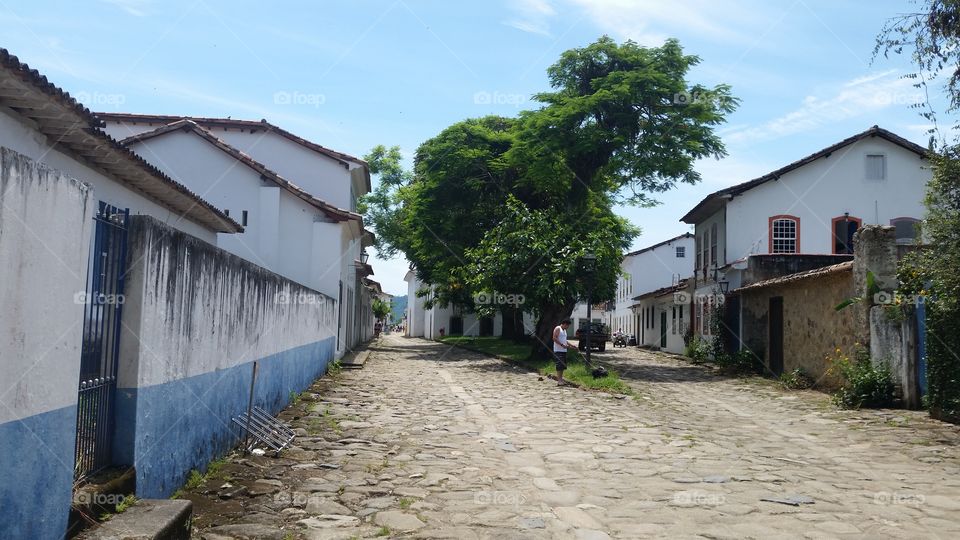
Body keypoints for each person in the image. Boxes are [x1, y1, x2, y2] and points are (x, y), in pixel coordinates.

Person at [552, 319, 575, 386]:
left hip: (564, 350)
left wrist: (571, 345)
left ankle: (561, 380)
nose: (568, 327)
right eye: (567, 325)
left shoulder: (564, 331)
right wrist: (562, 345)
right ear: (564, 324)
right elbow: (554, 338)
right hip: (558, 350)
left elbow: (565, 340)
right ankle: (559, 381)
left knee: (562, 366)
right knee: (559, 366)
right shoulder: (558, 328)